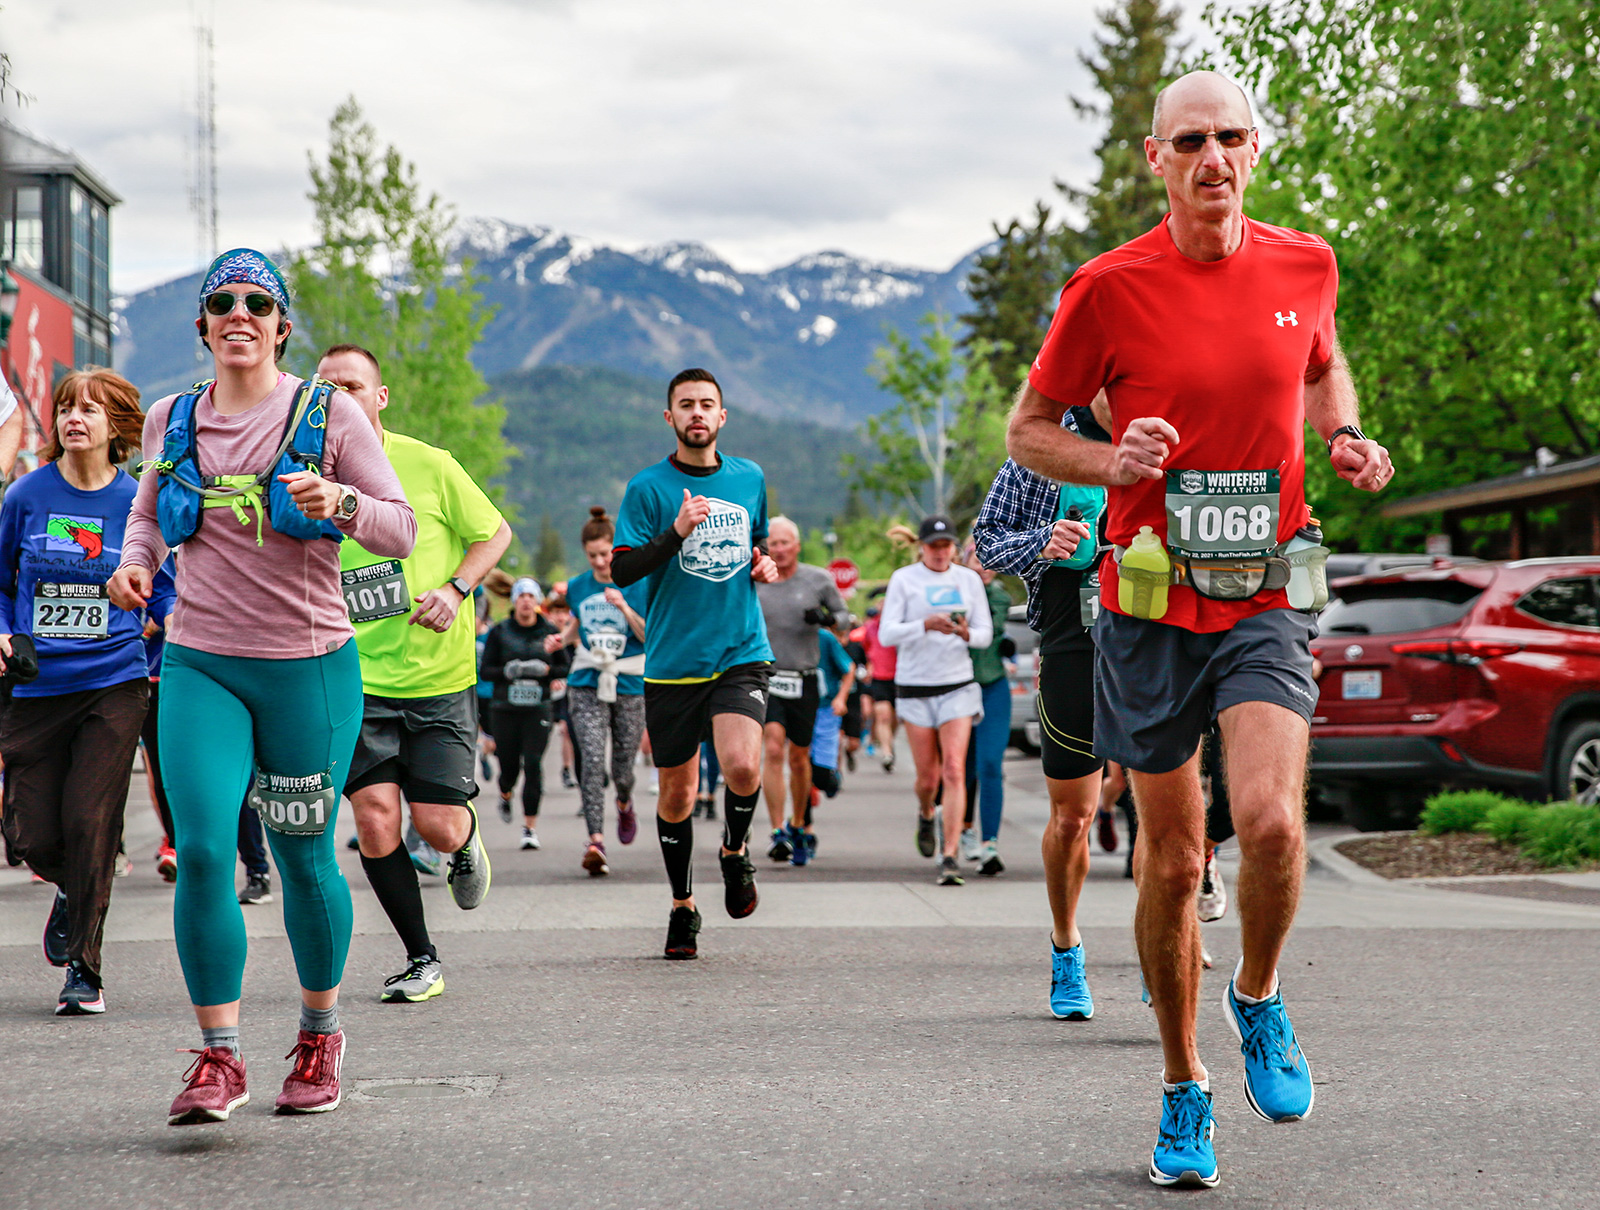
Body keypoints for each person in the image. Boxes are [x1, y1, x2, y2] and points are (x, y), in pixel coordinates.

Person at [1005, 72, 1394, 1188]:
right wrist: (1104, 458)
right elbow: (1029, 429)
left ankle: (1257, 997)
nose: (1212, 157)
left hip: (1267, 585)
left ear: (1254, 149)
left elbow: (1320, 364)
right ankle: (1182, 1085)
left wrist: (1348, 434)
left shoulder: (1304, 264)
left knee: (1270, 825)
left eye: (1229, 137)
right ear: (1155, 159)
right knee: (1174, 865)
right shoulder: (1106, 288)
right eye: (1190, 142)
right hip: (1146, 602)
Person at [109, 248, 417, 1124]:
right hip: (200, 661)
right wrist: (135, 566)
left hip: (308, 671)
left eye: (257, 302)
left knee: (300, 851)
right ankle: (219, 1059)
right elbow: (144, 517)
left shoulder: (331, 416)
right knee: (204, 850)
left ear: (282, 326)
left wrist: (341, 504)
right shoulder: (171, 418)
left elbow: (398, 530)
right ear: (204, 325)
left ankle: (319, 1033)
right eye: (221, 303)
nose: (237, 314)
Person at [321, 343, 511, 1003]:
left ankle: (462, 842)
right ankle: (420, 957)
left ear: (380, 397)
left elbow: (495, 533)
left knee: (435, 823)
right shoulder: (304, 479)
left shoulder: (430, 465)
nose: (339, 396)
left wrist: (457, 590)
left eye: (352, 385)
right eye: (326, 389)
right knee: (374, 817)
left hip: (438, 677)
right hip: (355, 679)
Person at [611, 367, 779, 959]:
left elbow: (755, 544)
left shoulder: (749, 477)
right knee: (677, 796)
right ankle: (683, 906)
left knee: (741, 765)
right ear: (670, 418)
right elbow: (622, 569)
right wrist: (676, 532)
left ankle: (734, 851)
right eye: (686, 405)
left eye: (707, 404)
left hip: (740, 650)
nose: (697, 414)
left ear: (723, 416)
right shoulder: (649, 488)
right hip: (674, 661)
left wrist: (764, 565)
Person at [0, 368, 149, 1015]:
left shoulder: (137, 502)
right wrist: (3, 631)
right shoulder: (25, 496)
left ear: (116, 425)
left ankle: (85, 972)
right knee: (30, 837)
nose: (73, 419)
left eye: (89, 409)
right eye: (65, 408)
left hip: (113, 679)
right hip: (36, 685)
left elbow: (167, 587)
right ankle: (72, 887)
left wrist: (152, 607)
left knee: (90, 820)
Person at [975, 404, 1110, 1017]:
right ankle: (1065, 944)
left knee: (1165, 810)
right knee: (1073, 818)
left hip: (1157, 642)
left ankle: (1166, 943)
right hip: (1071, 642)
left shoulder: (1168, 432)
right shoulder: (1045, 446)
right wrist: (1043, 541)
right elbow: (986, 541)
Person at [877, 515, 993, 886]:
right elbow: (886, 634)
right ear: (921, 547)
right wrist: (924, 625)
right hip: (915, 685)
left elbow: (984, 635)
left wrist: (962, 632)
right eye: (934, 546)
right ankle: (927, 811)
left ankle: (950, 853)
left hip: (957, 684)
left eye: (947, 546)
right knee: (928, 777)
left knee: (955, 770)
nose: (941, 553)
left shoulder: (969, 580)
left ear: (954, 549)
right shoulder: (904, 580)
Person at [550, 506, 649, 877]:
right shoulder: (577, 586)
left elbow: (647, 635)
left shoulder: (637, 583)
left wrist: (624, 607)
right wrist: (562, 639)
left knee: (622, 766)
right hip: (587, 680)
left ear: (615, 549)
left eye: (605, 554)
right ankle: (595, 840)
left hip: (628, 681)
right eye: (592, 555)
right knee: (590, 760)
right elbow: (578, 624)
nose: (599, 561)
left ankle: (624, 800)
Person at [755, 515, 847, 863]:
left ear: (796, 545)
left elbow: (844, 617)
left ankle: (799, 822)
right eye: (772, 544)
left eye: (784, 543)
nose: (778, 550)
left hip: (805, 677)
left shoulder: (817, 579)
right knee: (774, 748)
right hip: (766, 677)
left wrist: (825, 619)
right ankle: (778, 830)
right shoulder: (758, 579)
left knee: (799, 755)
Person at [481, 579, 569, 850]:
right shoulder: (500, 632)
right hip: (505, 709)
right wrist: (509, 671)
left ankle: (529, 828)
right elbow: (486, 671)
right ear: (514, 601)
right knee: (509, 767)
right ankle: (505, 792)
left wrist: (546, 671)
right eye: (521, 596)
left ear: (538, 600)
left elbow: (564, 666)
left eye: (531, 596)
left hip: (538, 708)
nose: (526, 600)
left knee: (533, 764)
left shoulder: (550, 630)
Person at [960, 538, 1015, 876]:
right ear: (962, 560)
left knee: (990, 764)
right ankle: (959, 829)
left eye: (989, 558)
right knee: (958, 768)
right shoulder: (949, 591)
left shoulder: (999, 596)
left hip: (993, 686)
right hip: (955, 689)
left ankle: (989, 843)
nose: (982, 565)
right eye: (975, 558)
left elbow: (990, 630)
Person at [799, 622, 855, 862]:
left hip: (825, 712)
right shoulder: (782, 634)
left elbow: (848, 668)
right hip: (797, 711)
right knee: (802, 772)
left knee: (820, 776)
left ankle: (831, 777)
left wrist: (841, 698)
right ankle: (805, 830)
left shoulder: (825, 638)